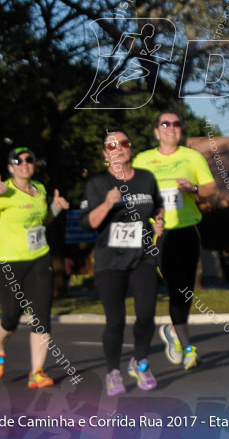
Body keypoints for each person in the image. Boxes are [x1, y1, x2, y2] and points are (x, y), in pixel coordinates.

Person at [0, 147, 69, 388]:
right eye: (18, 161)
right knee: (11, 317)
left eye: (29, 160)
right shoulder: (4, 192)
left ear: (34, 164)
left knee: (41, 317)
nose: (24, 164)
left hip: (39, 259)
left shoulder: (40, 189)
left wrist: (55, 208)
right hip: (9, 264)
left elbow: (41, 222)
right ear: (10, 167)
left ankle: (37, 372)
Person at [80, 130, 165, 396]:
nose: (118, 148)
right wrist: (107, 203)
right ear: (106, 154)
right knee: (115, 321)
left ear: (131, 149)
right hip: (109, 261)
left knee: (146, 314)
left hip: (143, 257)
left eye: (123, 143)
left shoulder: (146, 178)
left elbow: (157, 207)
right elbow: (88, 223)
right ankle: (113, 371)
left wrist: (158, 223)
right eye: (111, 145)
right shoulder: (97, 183)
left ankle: (140, 362)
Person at [132, 111, 216, 371]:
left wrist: (192, 189)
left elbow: (210, 189)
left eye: (176, 124)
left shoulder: (192, 157)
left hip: (187, 230)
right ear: (157, 131)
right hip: (157, 232)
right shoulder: (143, 160)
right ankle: (186, 345)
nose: (171, 127)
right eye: (165, 124)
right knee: (175, 284)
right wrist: (148, 218)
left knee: (185, 288)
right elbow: (133, 194)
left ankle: (174, 332)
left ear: (181, 130)